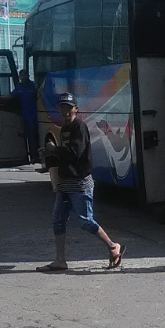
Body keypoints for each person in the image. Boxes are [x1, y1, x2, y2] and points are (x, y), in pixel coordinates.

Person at [37, 93, 124, 271]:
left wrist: (54, 150)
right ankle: (60, 260)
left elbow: (75, 153)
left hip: (79, 182)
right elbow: (65, 154)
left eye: (68, 108)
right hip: (66, 182)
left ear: (76, 109)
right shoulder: (65, 128)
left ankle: (113, 246)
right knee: (58, 220)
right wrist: (50, 154)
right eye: (62, 108)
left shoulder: (79, 127)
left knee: (85, 221)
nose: (65, 112)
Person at [12, 69, 41, 169]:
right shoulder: (19, 87)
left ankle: (35, 156)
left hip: (33, 116)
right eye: (21, 75)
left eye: (25, 75)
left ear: (28, 75)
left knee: (33, 137)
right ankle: (25, 157)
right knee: (23, 138)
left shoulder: (34, 86)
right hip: (23, 117)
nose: (23, 77)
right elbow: (11, 97)